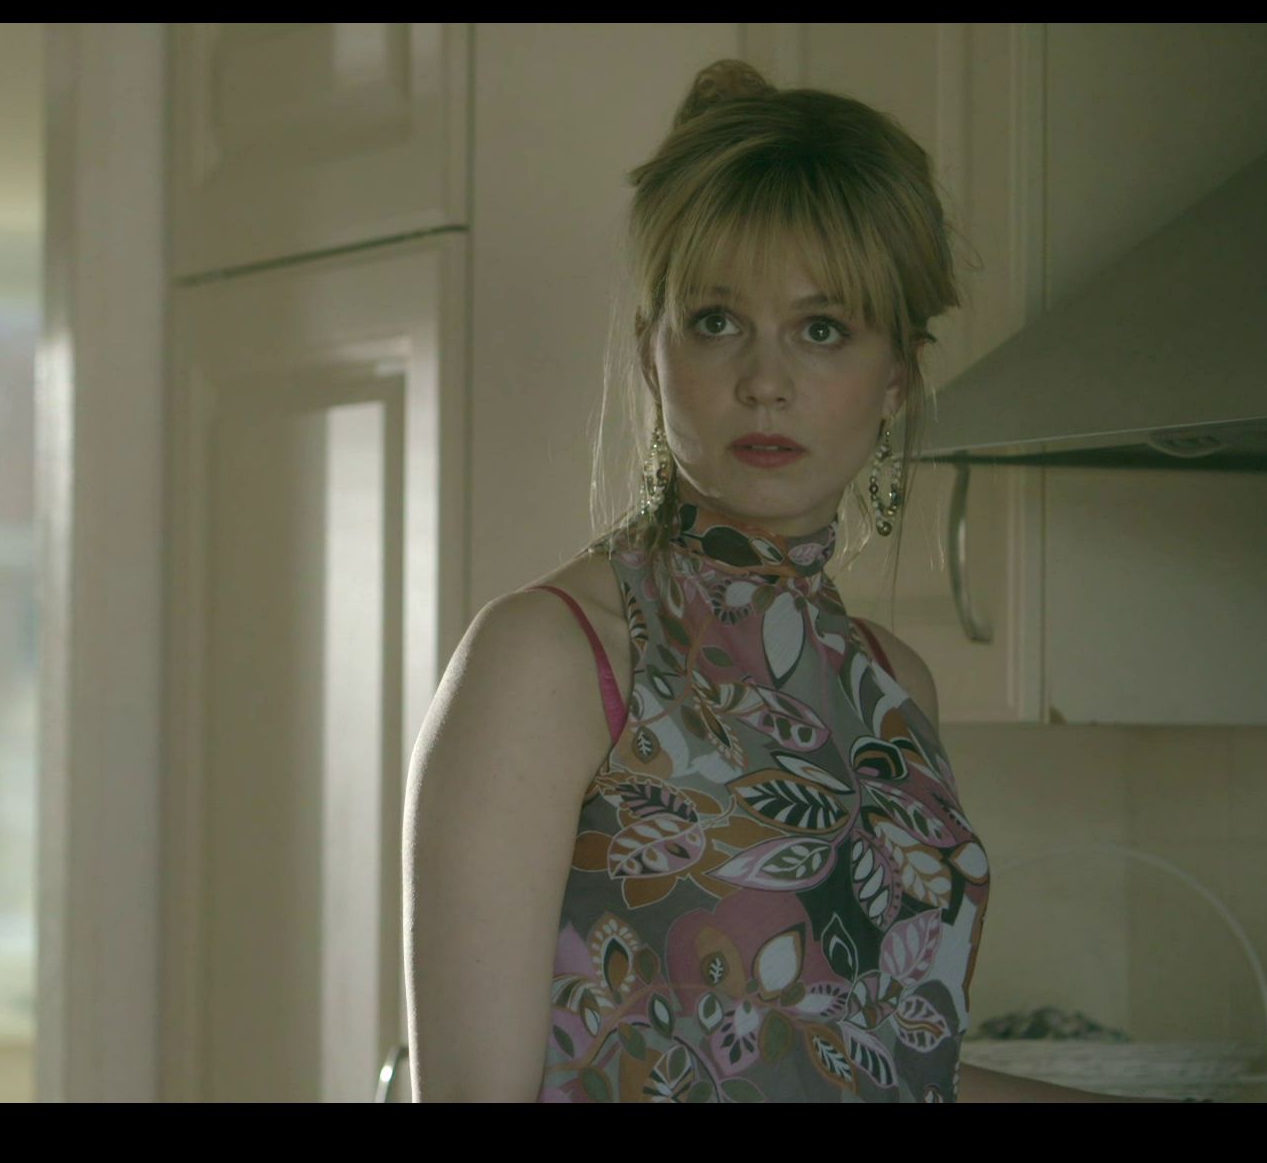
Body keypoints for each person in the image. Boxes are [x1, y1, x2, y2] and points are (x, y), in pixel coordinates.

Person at [403, 59, 1135, 1103]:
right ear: (653, 355)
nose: (765, 381)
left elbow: (874, 1066)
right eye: (716, 321)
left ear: (896, 377)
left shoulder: (895, 686)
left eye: (822, 329)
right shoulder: (550, 657)